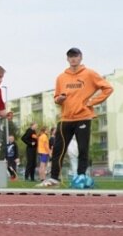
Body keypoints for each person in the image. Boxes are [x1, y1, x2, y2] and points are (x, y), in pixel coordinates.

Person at [40, 47, 113, 188]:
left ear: (80, 57)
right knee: (58, 149)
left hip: (83, 117)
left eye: (75, 56)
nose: (73, 58)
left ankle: (81, 176)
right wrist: (59, 99)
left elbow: (108, 88)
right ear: (67, 59)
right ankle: (54, 178)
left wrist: (92, 102)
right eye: (70, 56)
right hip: (66, 118)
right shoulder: (61, 77)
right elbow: (56, 98)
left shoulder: (89, 74)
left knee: (83, 148)